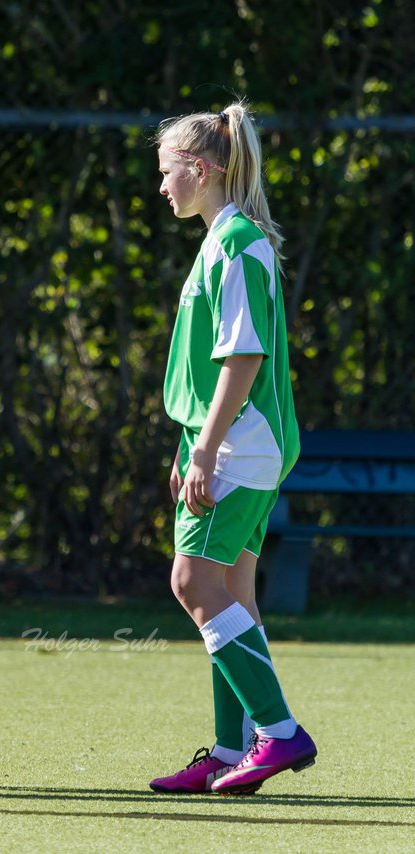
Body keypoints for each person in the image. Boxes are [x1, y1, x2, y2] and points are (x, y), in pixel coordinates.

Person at [148, 101, 317, 795]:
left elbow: (241, 359)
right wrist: (192, 441)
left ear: (201, 169)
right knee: (231, 594)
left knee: (193, 584)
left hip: (241, 445)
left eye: (167, 172)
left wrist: (207, 450)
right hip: (236, 441)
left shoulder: (237, 241)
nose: (161, 186)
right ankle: (230, 748)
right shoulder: (222, 238)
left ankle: (278, 734)